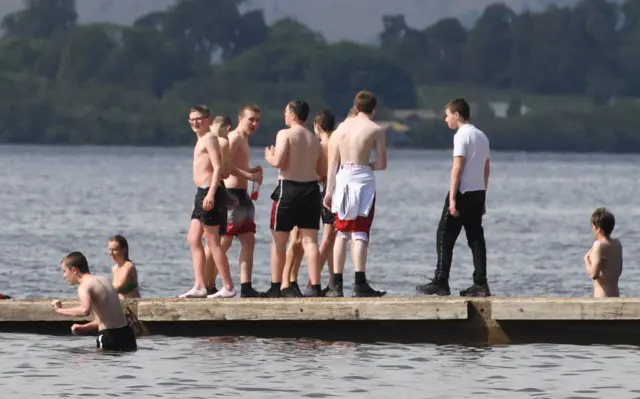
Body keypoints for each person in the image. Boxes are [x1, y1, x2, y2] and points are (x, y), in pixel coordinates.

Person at [416, 98, 491, 297]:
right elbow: (486, 168)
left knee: (444, 234)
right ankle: (481, 283)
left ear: (457, 115)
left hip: (463, 192)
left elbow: (457, 168)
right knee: (476, 238)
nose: (445, 119)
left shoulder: (461, 136)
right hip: (478, 192)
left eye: (447, 115)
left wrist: (452, 199)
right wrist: (484, 196)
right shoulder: (482, 136)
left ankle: (441, 280)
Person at [323, 91, 387, 298]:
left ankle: (337, 284)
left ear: (356, 106)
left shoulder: (340, 129)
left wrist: (329, 190)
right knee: (360, 231)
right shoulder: (376, 129)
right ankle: (359, 283)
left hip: (342, 178)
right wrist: (367, 164)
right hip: (362, 179)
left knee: (341, 231)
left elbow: (333, 162)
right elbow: (382, 163)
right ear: (373, 109)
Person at [265, 100, 327, 298]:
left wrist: (270, 156)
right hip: (310, 190)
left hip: (289, 189)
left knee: (279, 241)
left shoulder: (285, 134)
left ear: (292, 114)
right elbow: (322, 171)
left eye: (285, 112)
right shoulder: (313, 139)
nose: (284, 115)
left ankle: (277, 286)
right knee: (310, 242)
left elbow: (279, 161)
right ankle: (315, 285)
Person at [180, 105, 235, 298]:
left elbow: (218, 167)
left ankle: (228, 286)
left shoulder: (210, 138)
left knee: (213, 241)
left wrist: (212, 193)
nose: (195, 122)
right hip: (200, 193)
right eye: (192, 119)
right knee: (193, 238)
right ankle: (200, 285)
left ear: (208, 119)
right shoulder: (200, 139)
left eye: (199, 118)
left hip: (209, 192)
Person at [284, 110, 338, 296]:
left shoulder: (322, 143)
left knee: (303, 240)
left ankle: (298, 282)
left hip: (313, 192)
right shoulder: (334, 141)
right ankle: (322, 282)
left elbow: (319, 173)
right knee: (326, 239)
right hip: (327, 193)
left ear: (317, 126)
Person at [213, 105, 264, 298]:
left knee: (249, 240)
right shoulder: (233, 137)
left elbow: (237, 165)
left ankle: (246, 286)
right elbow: (226, 165)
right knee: (224, 242)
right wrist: (247, 175)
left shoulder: (244, 139)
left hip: (243, 195)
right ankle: (210, 283)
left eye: (257, 120)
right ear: (241, 118)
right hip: (232, 194)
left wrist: (251, 171)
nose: (254, 124)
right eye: (251, 119)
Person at [52, 251, 137, 352]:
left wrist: (59, 310)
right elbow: (110, 318)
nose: (64, 276)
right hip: (127, 334)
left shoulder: (84, 286)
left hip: (110, 337)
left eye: (64, 271)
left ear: (74, 270)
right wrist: (85, 327)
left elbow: (84, 310)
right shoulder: (104, 280)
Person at [203, 115, 234, 296]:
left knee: (207, 241)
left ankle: (205, 283)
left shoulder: (203, 140)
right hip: (217, 192)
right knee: (214, 241)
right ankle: (210, 283)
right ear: (227, 129)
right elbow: (227, 172)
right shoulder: (222, 142)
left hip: (203, 191)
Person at [585, 207, 622, 297]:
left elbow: (594, 274)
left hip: (602, 297)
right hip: (616, 295)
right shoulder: (617, 243)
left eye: (593, 226)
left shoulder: (598, 245)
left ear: (599, 229)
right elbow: (619, 270)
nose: (592, 229)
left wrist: (586, 259)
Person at [108, 235, 141, 299]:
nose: (111, 253)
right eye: (110, 249)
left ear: (124, 250)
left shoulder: (129, 266)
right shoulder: (114, 268)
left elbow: (119, 287)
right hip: (121, 305)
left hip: (133, 306)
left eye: (114, 250)